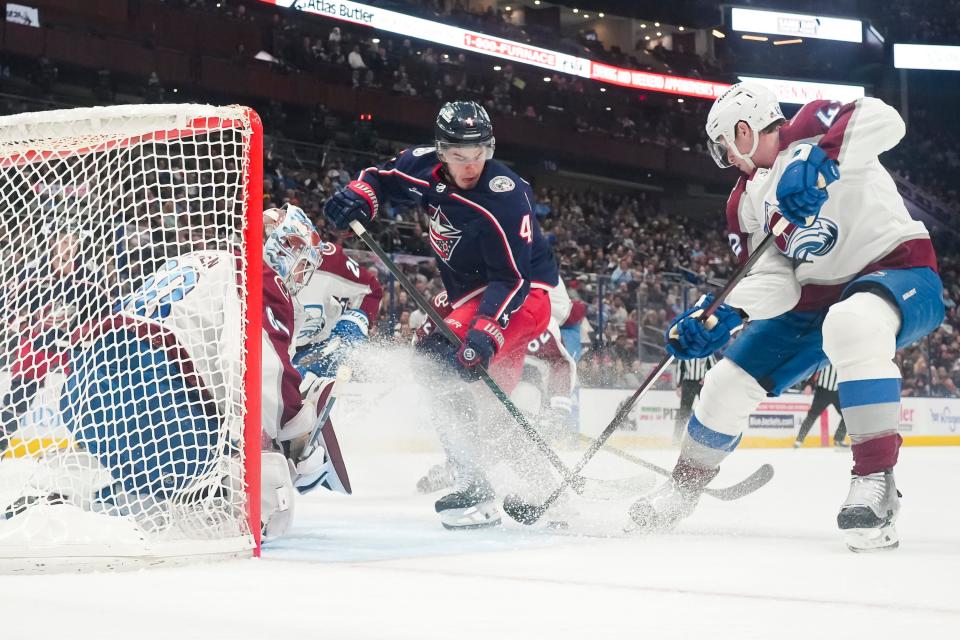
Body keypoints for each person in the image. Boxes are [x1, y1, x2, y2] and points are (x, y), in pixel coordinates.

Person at [630, 83, 944, 552]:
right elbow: (777, 280)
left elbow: (885, 119)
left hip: (896, 268)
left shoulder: (816, 121)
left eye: (724, 151)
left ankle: (876, 483)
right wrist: (724, 313)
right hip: (815, 297)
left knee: (852, 324)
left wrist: (819, 158)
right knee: (724, 384)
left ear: (741, 131)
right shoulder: (745, 202)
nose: (727, 163)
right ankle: (683, 487)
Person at [324, 100, 561, 529]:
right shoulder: (420, 165)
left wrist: (484, 334)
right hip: (471, 292)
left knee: (433, 358)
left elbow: (513, 280)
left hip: (523, 296)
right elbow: (379, 180)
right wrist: (357, 198)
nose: (470, 166)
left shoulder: (506, 197)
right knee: (484, 403)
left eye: (478, 155)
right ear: (441, 150)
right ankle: (540, 486)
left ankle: (474, 483)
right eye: (458, 156)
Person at [55, 207, 342, 540]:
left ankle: (71, 508)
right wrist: (293, 430)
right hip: (149, 390)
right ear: (282, 245)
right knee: (230, 481)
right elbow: (253, 364)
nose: (301, 275)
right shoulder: (261, 276)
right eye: (303, 262)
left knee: (148, 498)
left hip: (82, 391)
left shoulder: (199, 258)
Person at [0, 227, 108, 453]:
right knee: (18, 398)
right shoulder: (31, 273)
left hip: (73, 347)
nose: (68, 248)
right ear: (52, 244)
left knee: (88, 396)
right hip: (37, 344)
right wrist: (21, 323)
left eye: (73, 243)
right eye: (63, 242)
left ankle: (93, 449)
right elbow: (6, 306)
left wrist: (87, 331)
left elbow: (104, 313)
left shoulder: (90, 278)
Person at [794, 363, 848, 448]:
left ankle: (839, 439)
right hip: (822, 392)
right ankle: (799, 440)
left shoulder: (842, 360)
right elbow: (815, 372)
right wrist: (809, 385)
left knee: (847, 415)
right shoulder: (824, 359)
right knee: (811, 416)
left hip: (837, 392)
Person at [673, 356, 716, 446]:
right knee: (684, 411)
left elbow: (713, 367)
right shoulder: (686, 352)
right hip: (688, 383)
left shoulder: (707, 352)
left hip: (702, 384)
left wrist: (706, 378)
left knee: (707, 411)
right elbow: (680, 368)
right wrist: (678, 385)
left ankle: (708, 439)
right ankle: (676, 438)